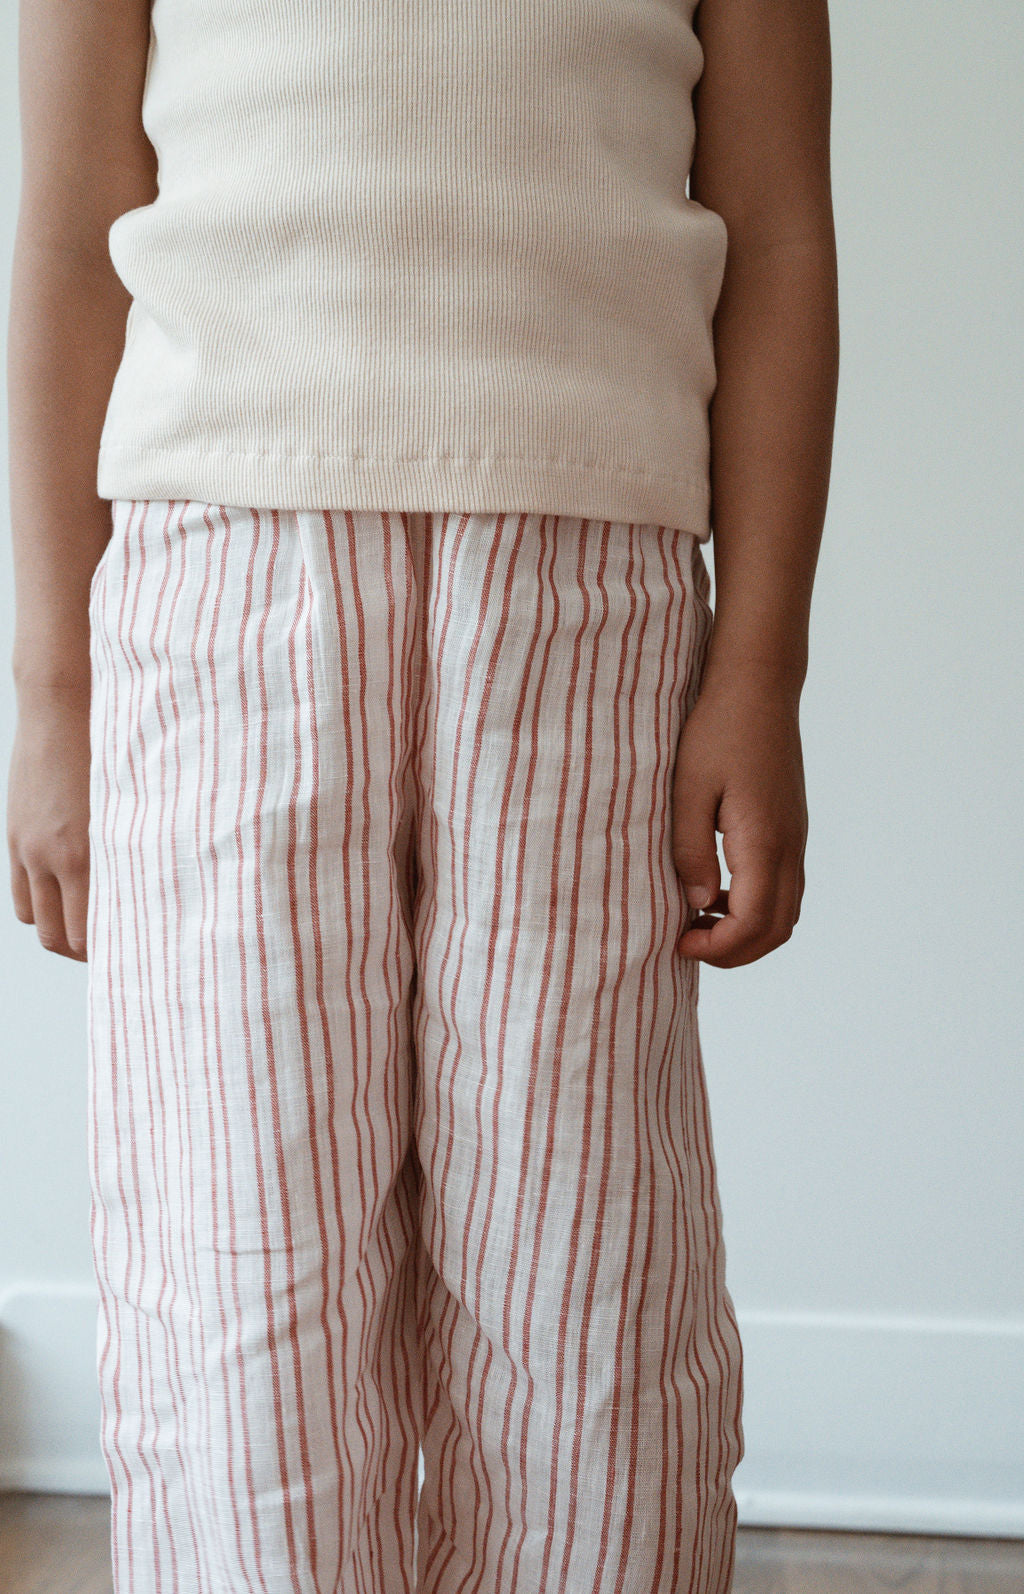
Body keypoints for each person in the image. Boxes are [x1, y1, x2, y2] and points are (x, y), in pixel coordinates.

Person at [6, 0, 838, 1589]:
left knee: (583, 1280)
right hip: (219, 593)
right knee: (240, 1278)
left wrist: (761, 670)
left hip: (586, 596)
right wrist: (53, 692)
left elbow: (779, 232)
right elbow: (63, 238)